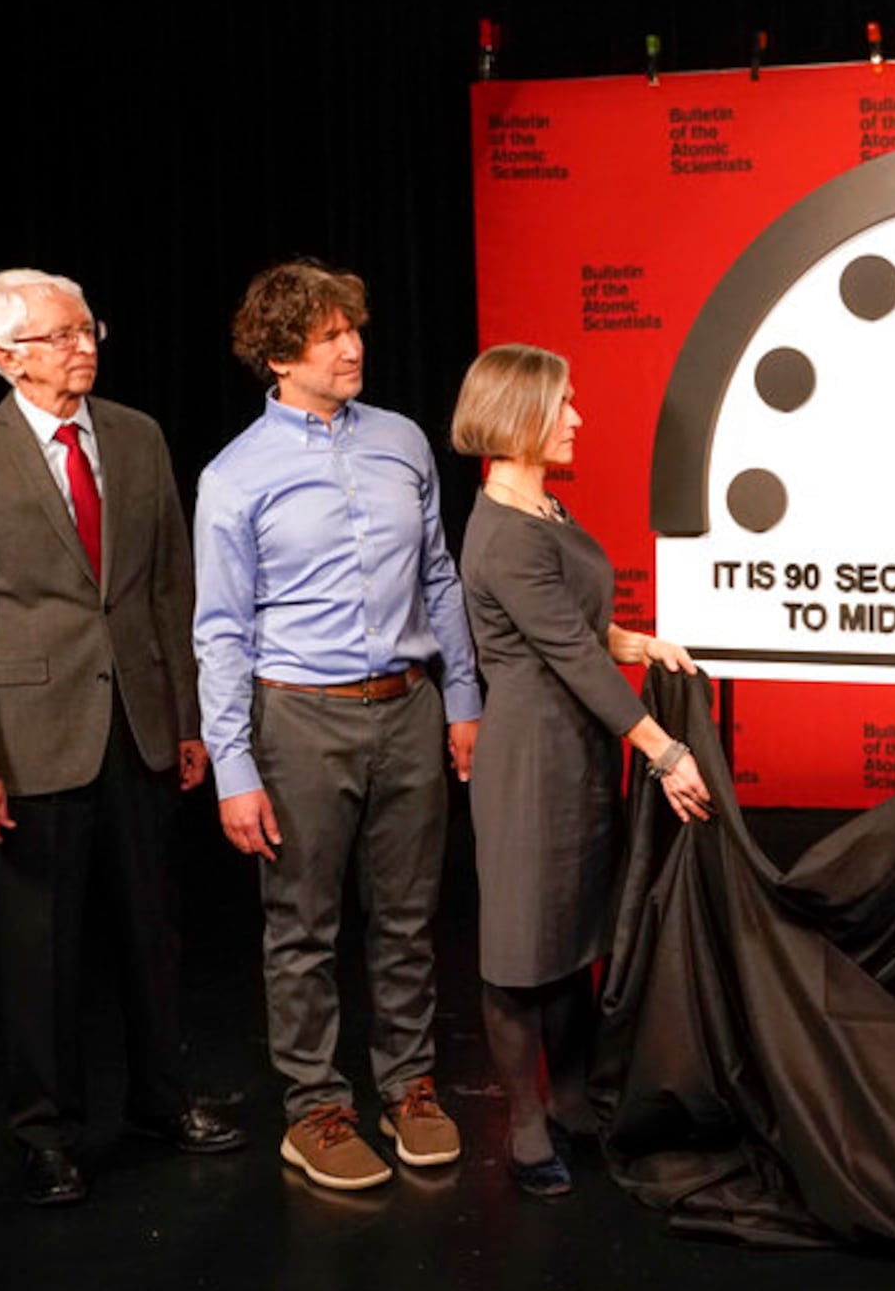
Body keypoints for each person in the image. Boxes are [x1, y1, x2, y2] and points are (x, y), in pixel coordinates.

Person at [0, 268, 248, 1207]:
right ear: (6, 357)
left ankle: (162, 1099)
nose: (83, 345)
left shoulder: (137, 438)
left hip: (139, 725)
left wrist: (187, 720)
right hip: (28, 742)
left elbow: (170, 589)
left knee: (154, 932)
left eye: (86, 327)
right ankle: (47, 1130)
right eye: (60, 336)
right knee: (43, 948)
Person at [193, 260, 482, 1192]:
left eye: (353, 328)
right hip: (299, 722)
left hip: (408, 708)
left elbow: (438, 576)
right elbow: (221, 629)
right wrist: (234, 765)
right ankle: (315, 1105)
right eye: (327, 336)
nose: (352, 347)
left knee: (408, 918)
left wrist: (464, 698)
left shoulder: (400, 440)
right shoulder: (235, 476)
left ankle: (409, 1086)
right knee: (304, 927)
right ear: (280, 356)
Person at [450, 344, 712, 1198]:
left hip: (576, 751)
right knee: (521, 949)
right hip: (531, 759)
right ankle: (525, 1126)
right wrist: (664, 750)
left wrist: (638, 642)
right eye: (563, 406)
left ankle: (567, 1098)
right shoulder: (503, 530)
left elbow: (574, 627)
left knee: (568, 938)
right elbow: (565, 651)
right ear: (521, 415)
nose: (577, 419)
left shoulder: (545, 512)